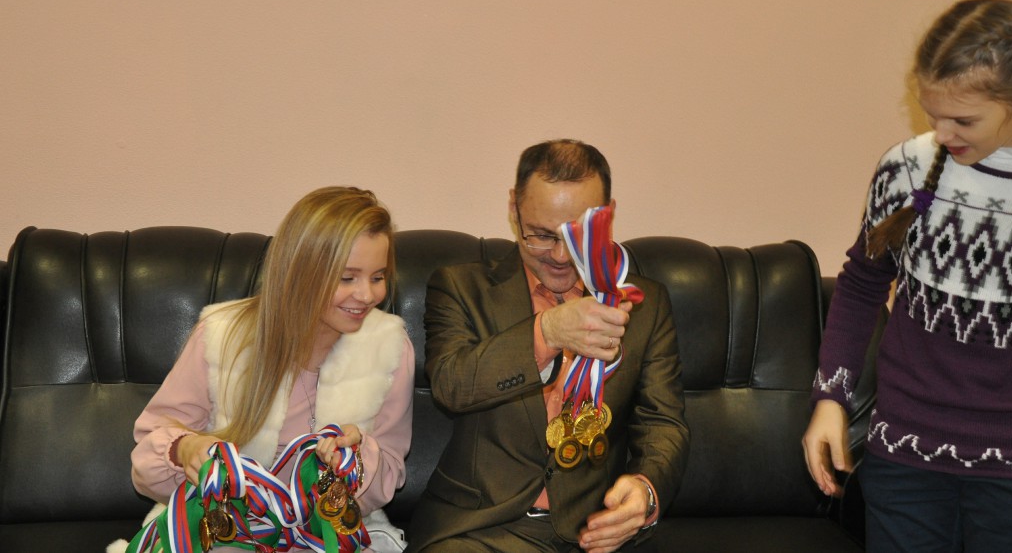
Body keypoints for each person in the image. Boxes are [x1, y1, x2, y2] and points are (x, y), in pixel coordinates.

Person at [802, 0, 1012, 552]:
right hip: (903, 457)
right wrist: (831, 396)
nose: (943, 133)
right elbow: (861, 285)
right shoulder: (905, 168)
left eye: (964, 120)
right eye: (931, 114)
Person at [407, 139, 688, 552]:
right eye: (540, 235)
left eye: (578, 237)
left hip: (593, 532)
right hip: (480, 531)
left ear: (607, 216)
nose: (559, 256)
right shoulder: (461, 288)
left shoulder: (646, 303)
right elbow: (452, 384)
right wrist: (548, 332)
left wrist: (644, 490)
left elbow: (662, 424)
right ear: (514, 208)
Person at [129, 186, 414, 551]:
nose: (367, 295)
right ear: (301, 271)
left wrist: (354, 459)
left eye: (378, 277)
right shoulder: (222, 337)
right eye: (347, 278)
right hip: (225, 529)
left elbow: (390, 468)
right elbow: (149, 452)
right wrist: (186, 449)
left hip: (326, 535)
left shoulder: (389, 347)